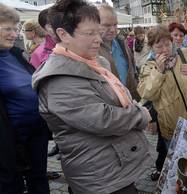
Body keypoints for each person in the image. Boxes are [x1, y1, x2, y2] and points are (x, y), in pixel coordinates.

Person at [31, 0, 152, 193]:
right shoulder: (58, 78)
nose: (98, 38)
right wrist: (140, 115)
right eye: (89, 33)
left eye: (98, 31)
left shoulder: (94, 62)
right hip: (99, 176)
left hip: (114, 165)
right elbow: (103, 119)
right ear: (63, 34)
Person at [137, 24, 187, 181]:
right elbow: (147, 93)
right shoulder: (148, 67)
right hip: (173, 129)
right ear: (152, 47)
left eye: (167, 44)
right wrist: (158, 72)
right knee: (183, 172)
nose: (165, 49)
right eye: (159, 46)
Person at [0, 4, 50, 193]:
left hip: (36, 131)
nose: (14, 34)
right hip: (9, 139)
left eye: (16, 28)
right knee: (10, 185)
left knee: (39, 179)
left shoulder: (15, 54)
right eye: (8, 29)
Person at [98, 4, 140, 101]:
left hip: (132, 99)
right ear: (96, 24)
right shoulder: (91, 49)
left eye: (115, 24)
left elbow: (132, 68)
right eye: (107, 25)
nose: (113, 30)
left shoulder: (121, 42)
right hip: (113, 104)